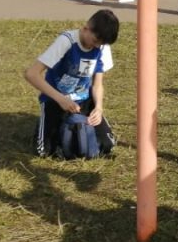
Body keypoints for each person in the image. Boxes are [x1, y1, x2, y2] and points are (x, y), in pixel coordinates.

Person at [24, 9, 120, 158]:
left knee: (108, 145)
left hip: (84, 101)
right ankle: (51, 124)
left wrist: (99, 107)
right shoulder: (67, 41)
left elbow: (97, 83)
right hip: (55, 100)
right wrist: (61, 99)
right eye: (94, 41)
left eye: (100, 44)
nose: (96, 47)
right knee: (43, 151)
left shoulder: (102, 45)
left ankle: (71, 126)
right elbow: (31, 74)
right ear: (85, 28)